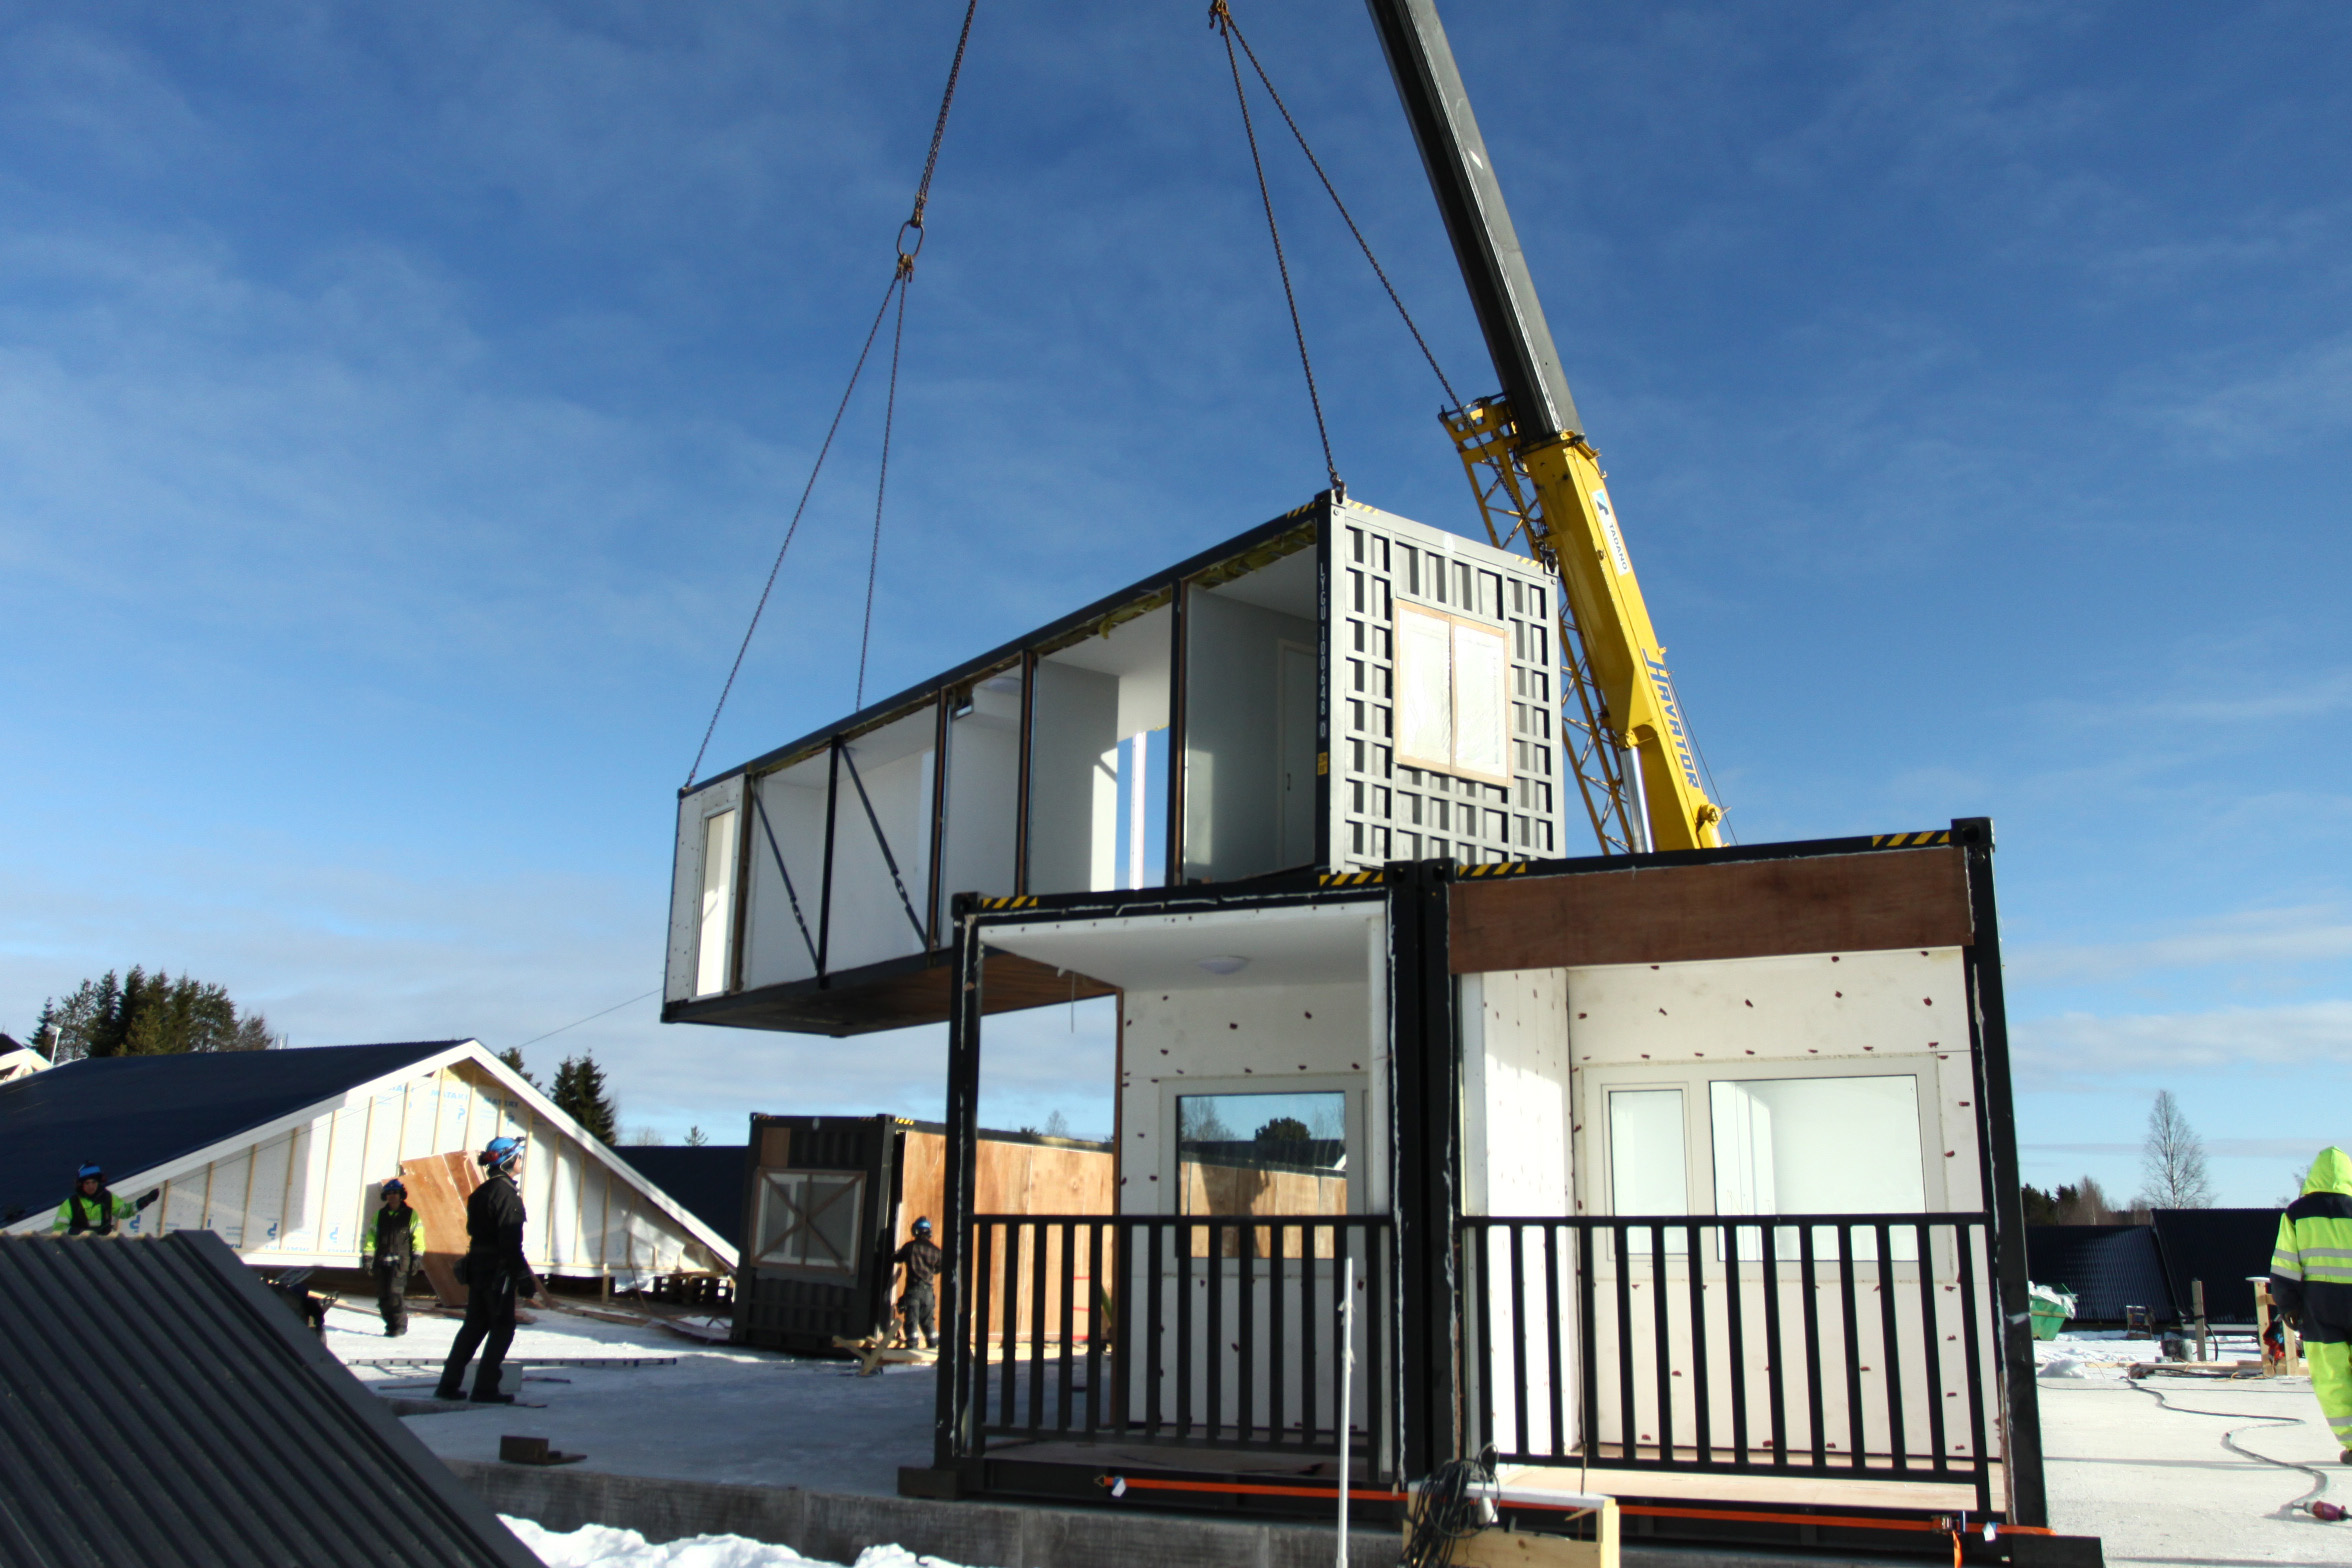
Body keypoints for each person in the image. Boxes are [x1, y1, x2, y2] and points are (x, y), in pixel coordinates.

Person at [434, 1137, 544, 1403]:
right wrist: (522, 1277)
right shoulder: (506, 1196)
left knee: (474, 1325)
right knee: (502, 1326)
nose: (521, 1162)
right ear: (508, 1161)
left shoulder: (481, 1193)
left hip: (480, 1267)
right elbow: (509, 1241)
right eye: (519, 1157)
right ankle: (485, 1388)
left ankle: (448, 1384)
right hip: (498, 1271)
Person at [2271, 1146, 2352, 1461]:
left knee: (2331, 1376)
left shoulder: (2296, 1213)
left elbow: (2285, 1265)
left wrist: (2287, 1305)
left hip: (2320, 1307)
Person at [365, 1177, 425, 1337]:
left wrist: (417, 1257)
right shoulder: (380, 1215)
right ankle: (390, 1326)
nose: (392, 1196)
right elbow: (371, 1238)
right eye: (389, 1193)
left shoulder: (411, 1215)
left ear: (401, 1195)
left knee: (395, 1294)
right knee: (383, 1296)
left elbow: (418, 1237)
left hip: (401, 1263)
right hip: (382, 1262)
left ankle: (399, 1326)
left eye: (395, 1193)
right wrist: (368, 1257)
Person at [50, 1164, 157, 1236]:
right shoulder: (71, 1203)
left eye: (94, 1182)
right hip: (77, 1248)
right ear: (81, 1184)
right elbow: (58, 1229)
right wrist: (80, 1232)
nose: (91, 1186)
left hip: (103, 1248)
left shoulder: (108, 1198)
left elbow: (125, 1211)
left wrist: (145, 1201)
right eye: (87, 1183)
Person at [890, 1216, 947, 1350]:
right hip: (928, 1291)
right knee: (928, 1321)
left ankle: (912, 1348)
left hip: (913, 1290)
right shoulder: (936, 1251)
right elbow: (942, 1266)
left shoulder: (910, 1247)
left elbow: (896, 1258)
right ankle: (933, 1347)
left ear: (915, 1231)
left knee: (912, 1319)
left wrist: (894, 1253)